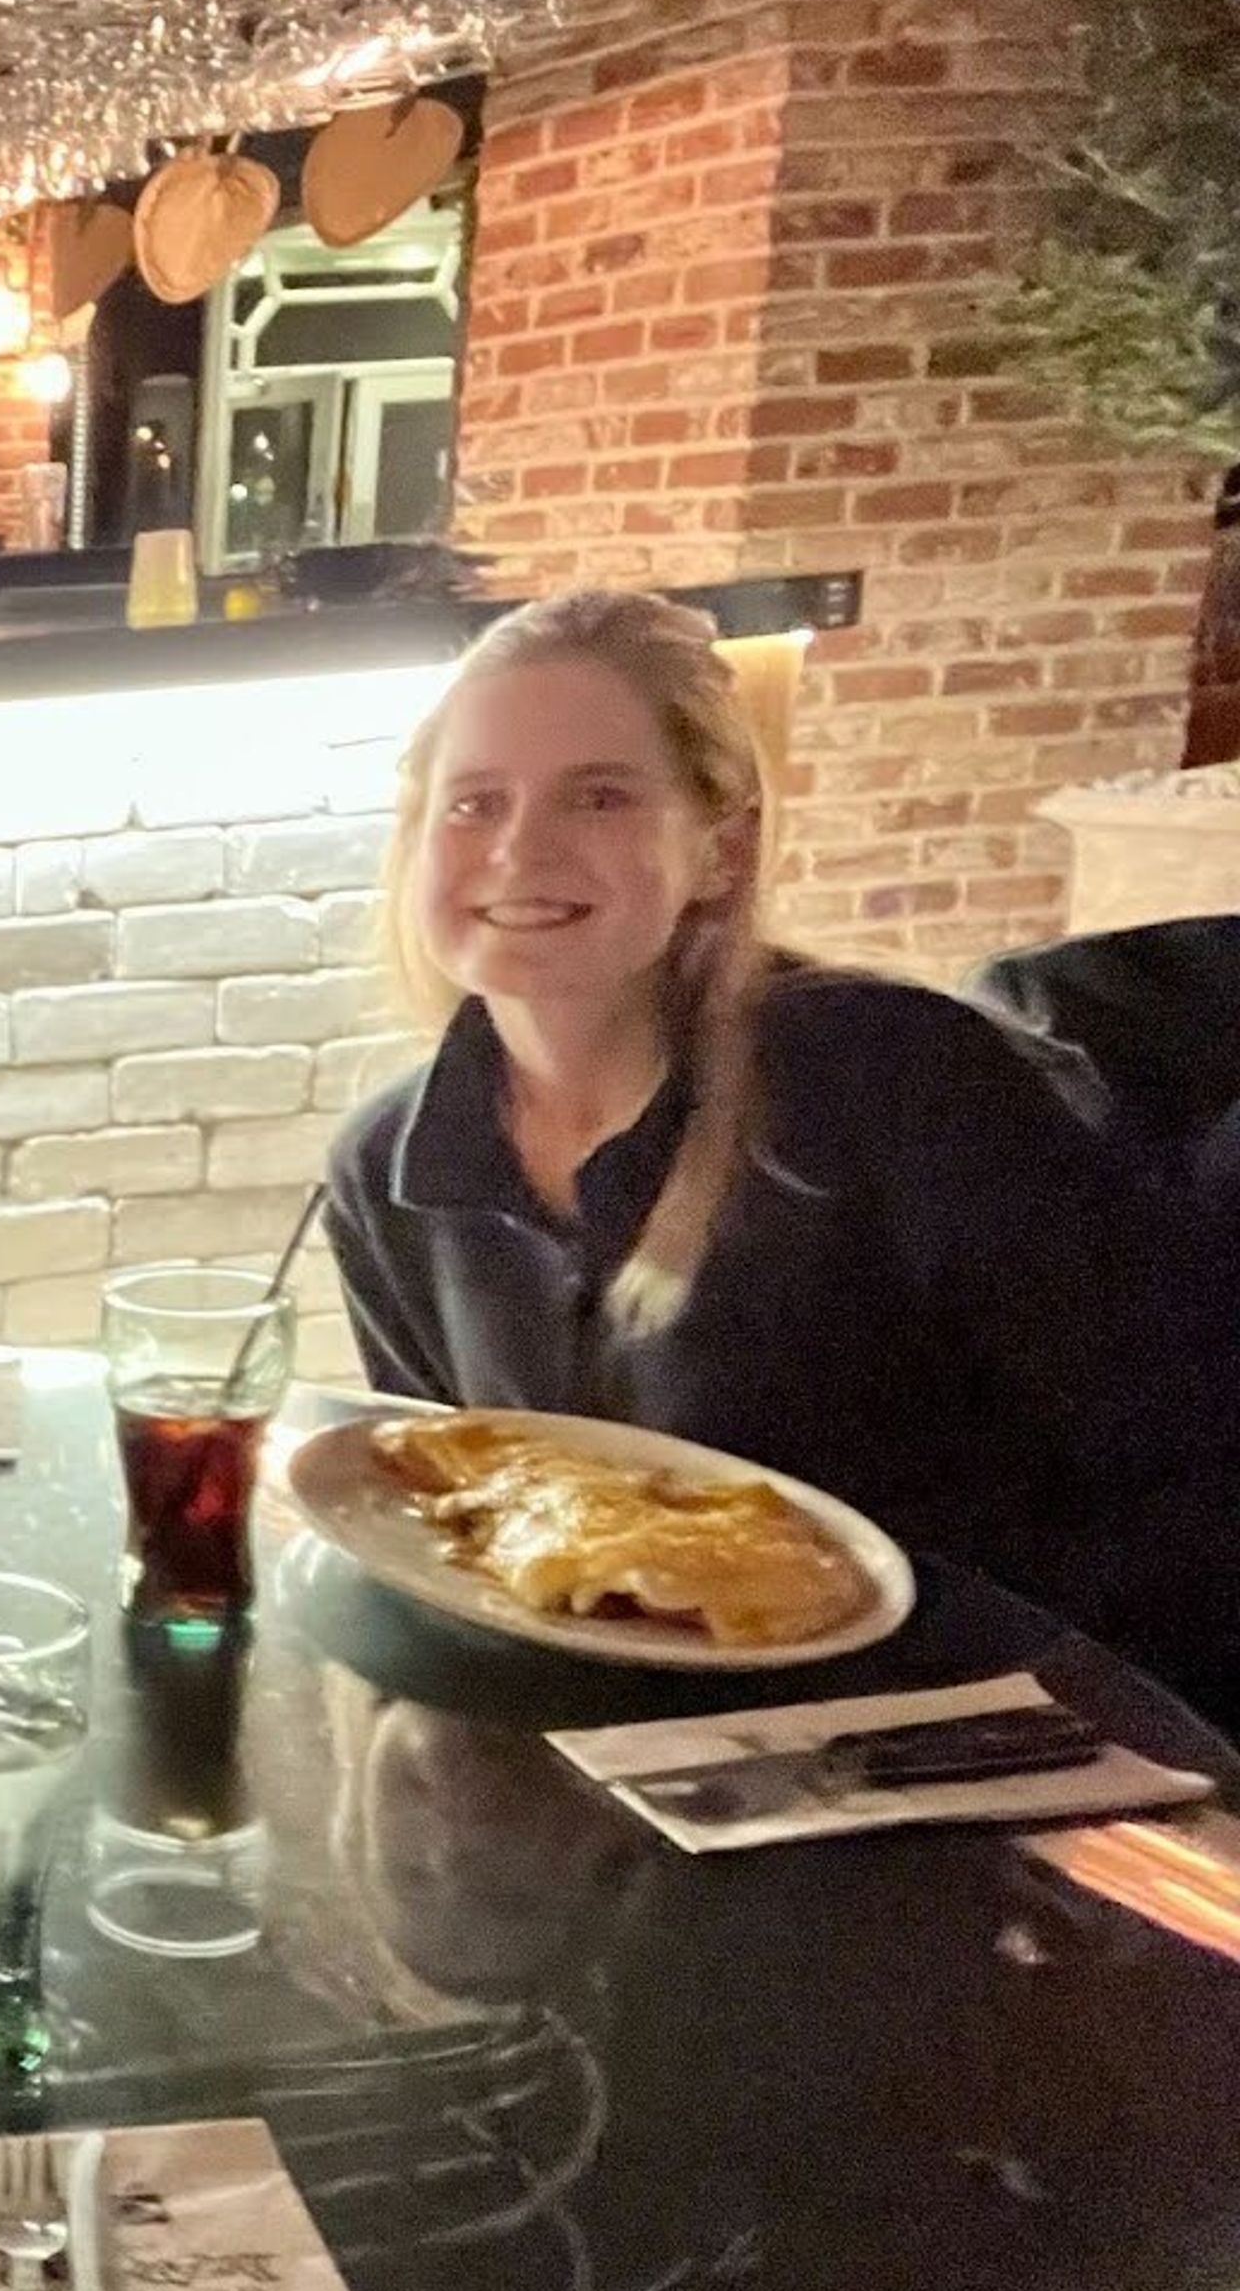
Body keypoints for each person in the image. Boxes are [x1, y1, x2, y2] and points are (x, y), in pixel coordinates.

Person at [324, 588, 1234, 1700]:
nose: (521, 849)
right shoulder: (389, 1171)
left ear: (719, 849)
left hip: (971, 1749)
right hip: (622, 1770)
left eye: (599, 797)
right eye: (473, 804)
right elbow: (458, 1541)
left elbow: (1179, 1475)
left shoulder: (893, 1079)